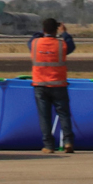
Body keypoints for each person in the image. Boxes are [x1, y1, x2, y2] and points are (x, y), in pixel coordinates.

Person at [28, 17, 76, 153]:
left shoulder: (35, 44)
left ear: (43, 29)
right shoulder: (62, 45)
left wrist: (41, 31)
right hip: (58, 84)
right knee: (64, 114)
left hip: (40, 84)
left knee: (44, 116)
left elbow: (32, 39)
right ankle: (68, 142)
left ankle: (48, 145)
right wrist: (64, 33)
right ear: (56, 30)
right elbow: (71, 45)